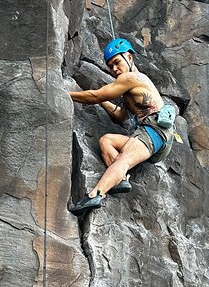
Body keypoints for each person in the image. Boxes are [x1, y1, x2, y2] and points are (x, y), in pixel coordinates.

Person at [68, 38, 174, 215]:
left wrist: (66, 94)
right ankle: (120, 179)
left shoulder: (130, 78)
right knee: (106, 141)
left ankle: (95, 195)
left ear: (129, 58)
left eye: (117, 62)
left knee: (124, 160)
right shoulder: (131, 88)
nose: (114, 69)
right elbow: (121, 116)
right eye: (110, 66)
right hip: (153, 135)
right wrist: (102, 102)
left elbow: (95, 96)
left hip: (154, 130)